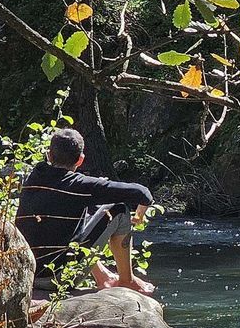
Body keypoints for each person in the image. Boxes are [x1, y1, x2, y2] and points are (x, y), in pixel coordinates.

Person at [14, 127, 157, 296]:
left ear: (49, 155)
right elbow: (142, 193)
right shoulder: (80, 186)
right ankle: (127, 280)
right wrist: (139, 216)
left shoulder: (33, 178)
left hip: (25, 273)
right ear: (80, 160)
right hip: (60, 279)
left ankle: (102, 276)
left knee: (89, 211)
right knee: (119, 209)